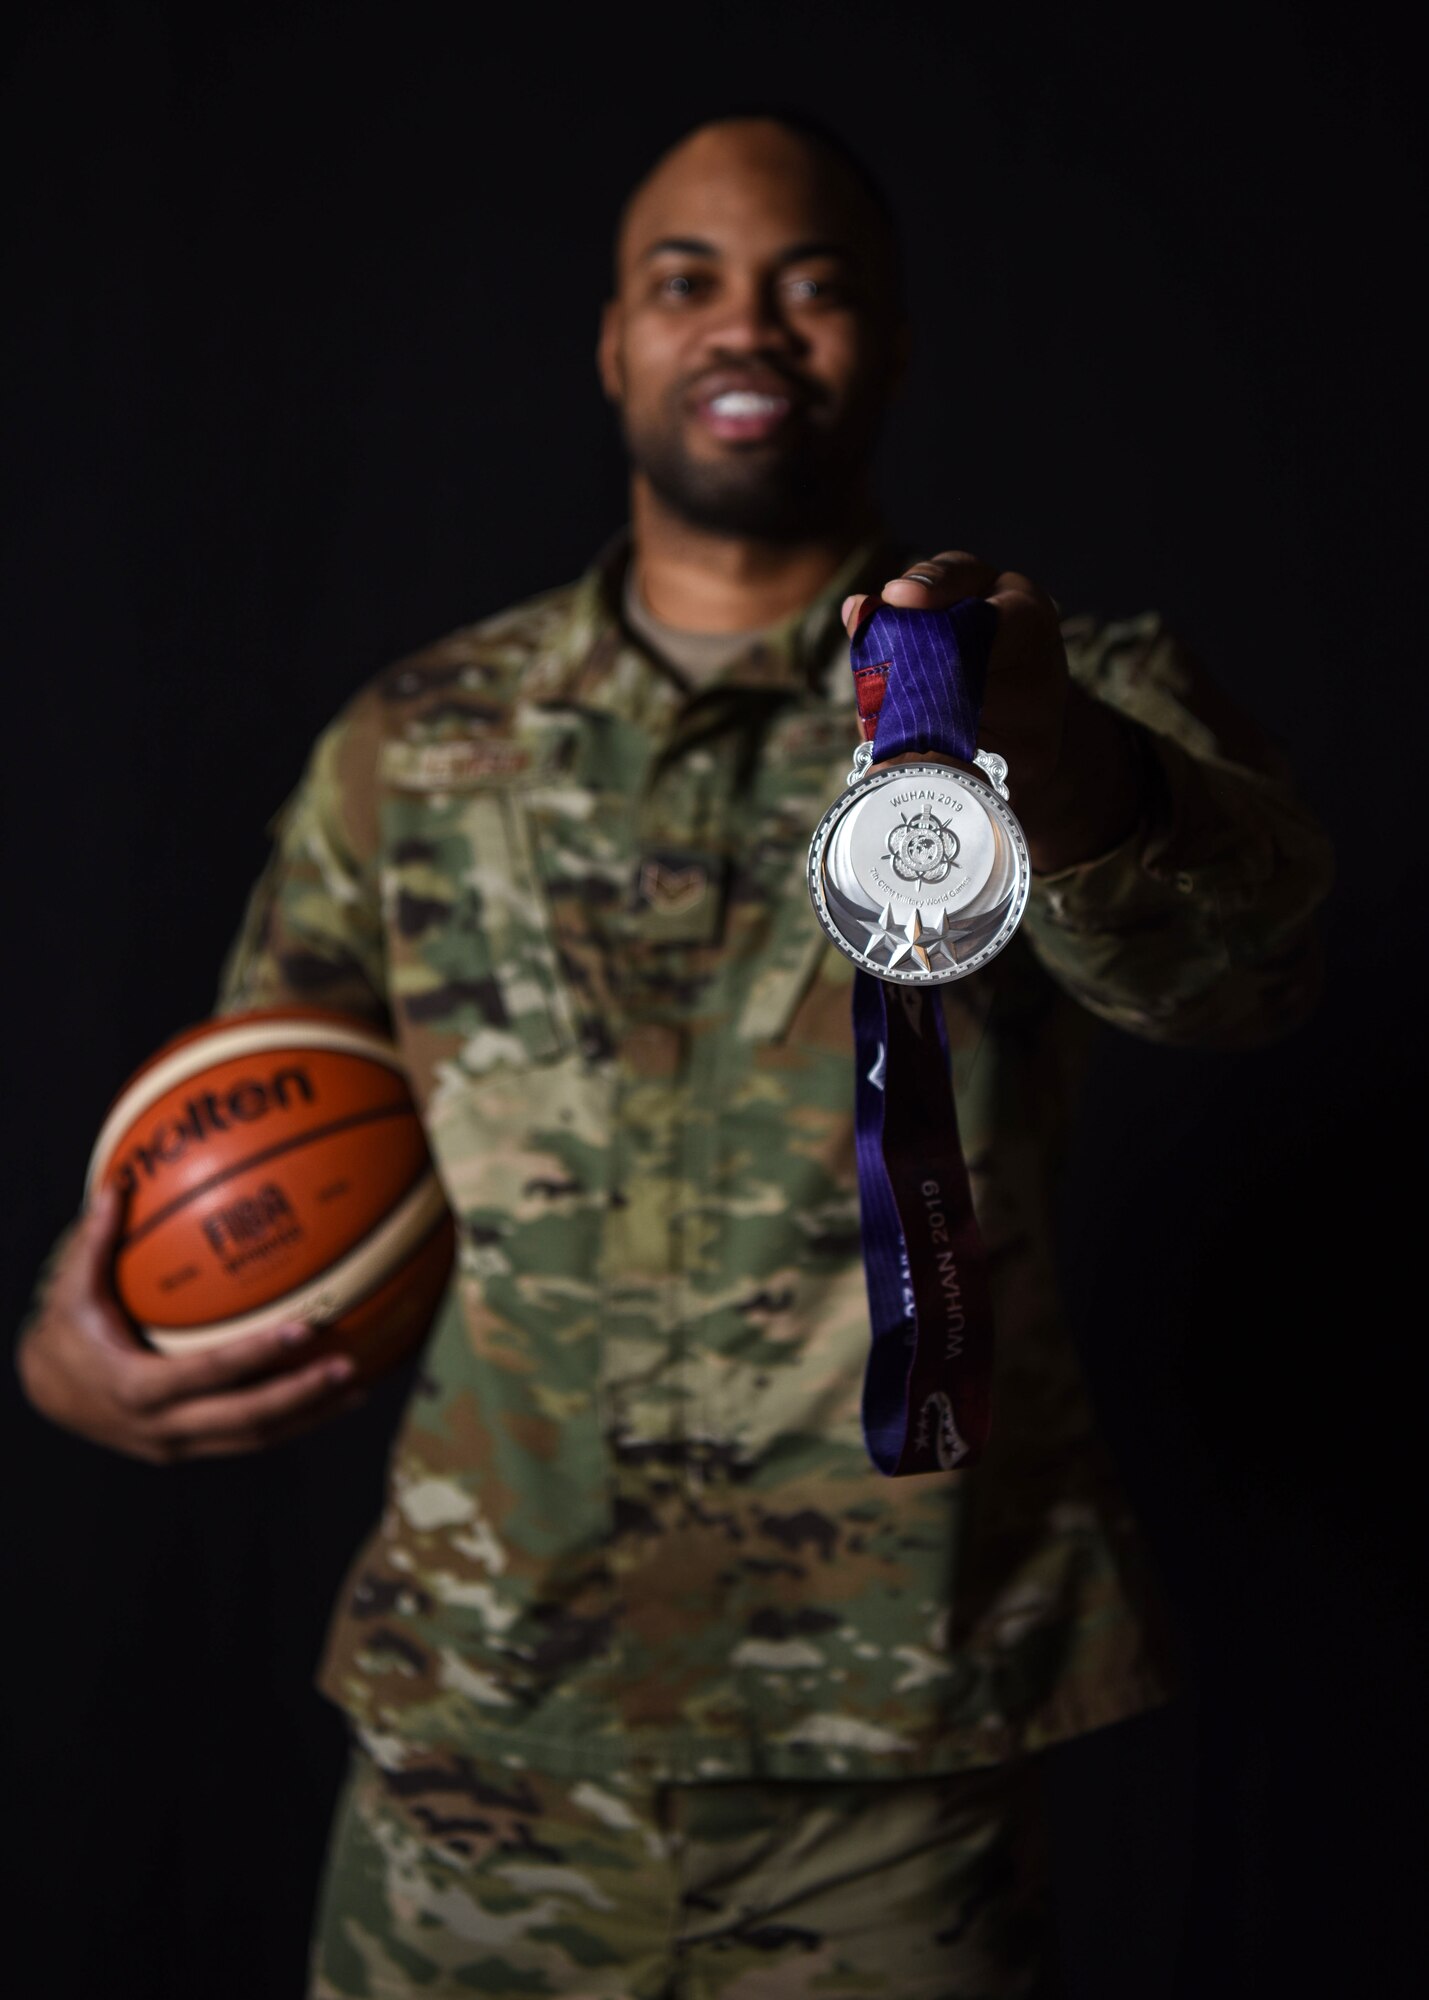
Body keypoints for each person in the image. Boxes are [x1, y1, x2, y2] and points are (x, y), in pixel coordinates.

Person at [18, 113, 1332, 1998]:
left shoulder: (1058, 696)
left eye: (813, 285)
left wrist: (1044, 752)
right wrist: (86, 1340)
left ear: (887, 340)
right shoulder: (414, 740)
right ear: (615, 343)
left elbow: (1250, 974)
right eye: (685, 281)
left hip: (891, 1767)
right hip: (474, 1742)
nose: (749, 326)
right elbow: (232, 1120)